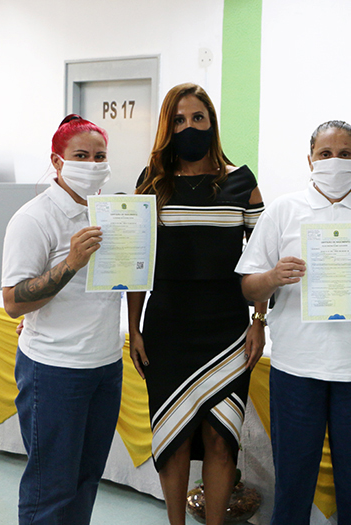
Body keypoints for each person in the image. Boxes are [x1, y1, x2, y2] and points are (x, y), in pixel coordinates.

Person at [236, 120, 351, 525]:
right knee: (293, 487)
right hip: (296, 369)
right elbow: (249, 288)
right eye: (325, 154)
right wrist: (273, 277)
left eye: (344, 153)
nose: (334, 161)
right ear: (310, 160)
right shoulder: (284, 211)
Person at [128, 83, 267, 525]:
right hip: (167, 325)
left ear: (212, 124)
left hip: (226, 328)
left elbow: (260, 259)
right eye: (179, 120)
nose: (190, 127)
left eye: (198, 118)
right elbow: (137, 263)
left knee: (222, 437)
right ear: (168, 128)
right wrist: (133, 328)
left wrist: (259, 320)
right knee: (173, 438)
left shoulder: (243, 182)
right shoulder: (151, 183)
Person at [2, 114, 121, 524]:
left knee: (86, 481)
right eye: (80, 156)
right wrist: (70, 262)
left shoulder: (112, 212)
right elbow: (13, 302)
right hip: (54, 370)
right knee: (50, 488)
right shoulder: (34, 219)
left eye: (99, 156)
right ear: (57, 161)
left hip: (105, 365)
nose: (92, 164)